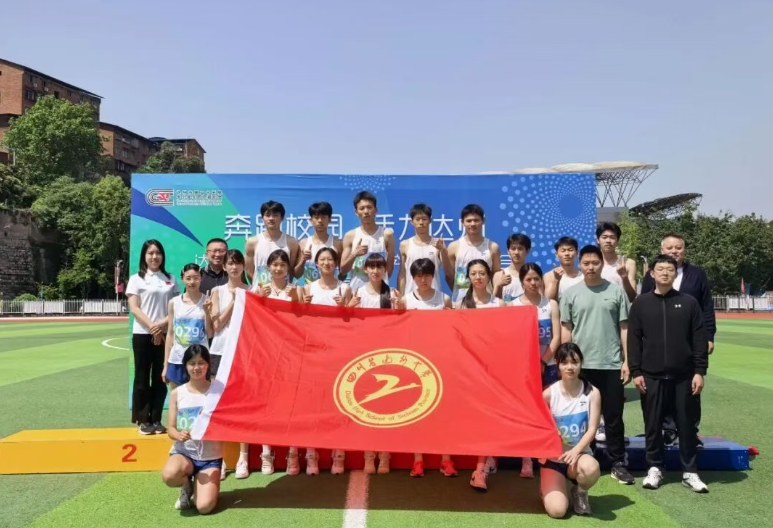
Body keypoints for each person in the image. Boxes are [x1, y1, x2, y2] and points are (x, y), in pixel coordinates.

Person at [628, 254, 709, 493]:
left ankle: (690, 471)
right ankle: (655, 467)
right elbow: (633, 340)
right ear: (652, 273)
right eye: (660, 269)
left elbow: (699, 339)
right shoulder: (641, 304)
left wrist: (699, 371)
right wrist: (636, 371)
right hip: (650, 376)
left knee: (686, 425)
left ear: (675, 274)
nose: (665, 273)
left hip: (684, 376)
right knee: (652, 425)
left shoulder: (689, 303)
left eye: (670, 270)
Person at [560, 245, 634, 485]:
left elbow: (624, 328)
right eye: (586, 263)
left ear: (603, 264)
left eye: (595, 263)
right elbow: (566, 329)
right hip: (582, 366)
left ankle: (618, 463)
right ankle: (584, 459)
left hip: (611, 364)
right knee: (583, 417)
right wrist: (566, 361)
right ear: (580, 265)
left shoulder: (616, 291)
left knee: (613, 416)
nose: (590, 267)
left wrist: (627, 361)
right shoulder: (571, 294)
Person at [640, 233, 716, 445]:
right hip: (660, 341)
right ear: (662, 250)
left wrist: (709, 336)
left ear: (684, 250)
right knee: (664, 387)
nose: (674, 251)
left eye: (678, 247)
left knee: (691, 387)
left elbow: (707, 307)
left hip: (689, 340)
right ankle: (668, 429)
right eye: (669, 248)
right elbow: (645, 305)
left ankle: (690, 430)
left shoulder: (697, 274)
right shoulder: (652, 275)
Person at [396, 258, 456, 478]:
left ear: (433, 276)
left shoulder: (444, 299)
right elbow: (397, 330)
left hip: (441, 363)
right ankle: (418, 460)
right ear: (413, 278)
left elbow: (453, 330)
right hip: (415, 365)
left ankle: (446, 459)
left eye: (427, 275)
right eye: (419, 276)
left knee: (444, 413)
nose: (423, 280)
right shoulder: (404, 300)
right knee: (417, 413)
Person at [300, 247, 351, 475]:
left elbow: (352, 322)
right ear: (316, 264)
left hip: (339, 352)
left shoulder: (345, 288)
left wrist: (343, 309)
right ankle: (311, 453)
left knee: (337, 402)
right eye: (322, 260)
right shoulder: (308, 288)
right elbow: (301, 322)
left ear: (337, 263)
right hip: (315, 352)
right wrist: (304, 307)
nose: (327, 263)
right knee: (313, 403)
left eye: (330, 259)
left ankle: (338, 453)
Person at [348, 253, 400, 474]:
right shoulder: (358, 293)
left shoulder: (393, 293)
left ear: (385, 270)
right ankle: (369, 454)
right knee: (367, 407)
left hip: (387, 357)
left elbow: (401, 324)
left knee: (386, 407)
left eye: (379, 267)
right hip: (364, 357)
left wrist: (399, 309)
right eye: (372, 267)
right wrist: (349, 308)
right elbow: (349, 325)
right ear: (365, 269)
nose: (376, 271)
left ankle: (385, 454)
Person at [456, 259, 505, 491]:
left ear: (489, 276)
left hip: (493, 371)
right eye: (474, 273)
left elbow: (504, 338)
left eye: (482, 273)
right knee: (475, 421)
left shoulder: (499, 304)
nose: (478, 277)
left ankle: (480, 470)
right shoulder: (462, 304)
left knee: (489, 420)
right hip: (469, 372)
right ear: (468, 277)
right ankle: (485, 459)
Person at [509, 263, 560, 478]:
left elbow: (556, 338)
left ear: (541, 280)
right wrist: (529, 364)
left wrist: (543, 361)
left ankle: (550, 456)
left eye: (536, 279)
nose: (532, 283)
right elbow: (512, 340)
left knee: (549, 410)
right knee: (526, 413)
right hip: (523, 369)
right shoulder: (513, 306)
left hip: (548, 366)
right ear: (521, 282)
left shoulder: (551, 304)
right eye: (528, 279)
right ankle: (527, 459)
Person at [540, 343, 601, 518]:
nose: (570, 367)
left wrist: (576, 451)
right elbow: (540, 427)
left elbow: (592, 429)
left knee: (591, 468)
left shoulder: (592, 393)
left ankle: (580, 491)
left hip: (578, 457)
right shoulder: (548, 394)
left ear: (581, 363)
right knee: (557, 511)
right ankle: (549, 488)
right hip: (553, 459)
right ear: (558, 364)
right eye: (564, 362)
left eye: (574, 362)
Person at [161, 345, 222, 514]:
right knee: (169, 475)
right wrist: (178, 435)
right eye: (192, 363)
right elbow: (171, 429)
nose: (196, 368)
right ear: (186, 366)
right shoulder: (177, 393)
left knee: (204, 507)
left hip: (210, 457)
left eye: (201, 363)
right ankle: (187, 485)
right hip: (184, 453)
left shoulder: (218, 392)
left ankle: (206, 486)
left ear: (208, 365)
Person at [127, 239, 179, 435]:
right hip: (142, 334)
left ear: (162, 256)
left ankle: (156, 419)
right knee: (141, 377)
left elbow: (176, 307)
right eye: (150, 253)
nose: (154, 257)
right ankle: (143, 420)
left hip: (166, 334)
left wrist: (160, 326)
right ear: (144, 256)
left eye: (158, 253)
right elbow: (134, 308)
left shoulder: (170, 279)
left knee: (160, 377)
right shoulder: (136, 279)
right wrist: (152, 327)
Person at [255, 249, 300, 475]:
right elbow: (254, 318)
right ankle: (266, 452)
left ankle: (293, 452)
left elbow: (302, 320)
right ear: (268, 267)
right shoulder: (260, 290)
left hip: (291, 353)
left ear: (288, 268)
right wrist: (261, 300)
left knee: (291, 402)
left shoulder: (296, 289)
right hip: (267, 352)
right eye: (275, 265)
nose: (278, 268)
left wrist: (295, 301)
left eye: (282, 265)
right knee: (267, 403)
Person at [208, 249, 249, 480]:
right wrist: (234, 301)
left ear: (243, 266)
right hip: (219, 352)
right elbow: (217, 325)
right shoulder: (217, 291)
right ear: (224, 267)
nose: (234, 267)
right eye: (230, 263)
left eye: (237, 263)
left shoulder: (251, 291)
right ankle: (220, 459)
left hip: (243, 354)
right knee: (219, 404)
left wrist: (242, 297)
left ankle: (243, 457)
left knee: (243, 405)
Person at [162, 264, 214, 390]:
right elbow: (170, 334)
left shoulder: (208, 301)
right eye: (188, 278)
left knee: (200, 398)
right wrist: (165, 365)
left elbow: (210, 333)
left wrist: (207, 312)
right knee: (176, 397)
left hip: (199, 361)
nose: (192, 282)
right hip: (177, 360)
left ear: (201, 278)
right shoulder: (174, 302)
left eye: (196, 278)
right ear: (182, 279)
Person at [341, 191, 396, 293]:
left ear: (376, 210)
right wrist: (354, 254)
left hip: (380, 292)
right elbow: (343, 270)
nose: (366, 211)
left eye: (369, 207)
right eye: (362, 208)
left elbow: (389, 268)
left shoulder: (387, 234)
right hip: (357, 292)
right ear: (356, 212)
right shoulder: (350, 236)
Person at [447, 204, 501, 304]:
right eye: (469, 221)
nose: (472, 224)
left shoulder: (493, 247)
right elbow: (450, 277)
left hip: (486, 302)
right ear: (462, 222)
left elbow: (496, 276)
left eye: (476, 220)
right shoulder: (453, 247)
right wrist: (460, 292)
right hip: (461, 301)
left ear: (483, 221)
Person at [397, 203, 451, 295]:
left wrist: (442, 250)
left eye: (424, 219)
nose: (421, 223)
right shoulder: (405, 244)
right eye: (417, 219)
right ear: (411, 222)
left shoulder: (438, 244)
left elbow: (447, 271)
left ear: (430, 221)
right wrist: (401, 296)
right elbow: (402, 273)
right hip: (411, 296)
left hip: (434, 296)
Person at [245, 200, 301, 289]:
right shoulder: (252, 241)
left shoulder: (292, 242)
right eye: (267, 215)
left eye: (275, 215)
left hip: (283, 292)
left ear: (282, 218)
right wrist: (259, 286)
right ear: (262, 217)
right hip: (260, 291)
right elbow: (249, 271)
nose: (271, 218)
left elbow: (290, 270)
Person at [294, 202, 344, 285]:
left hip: (332, 290)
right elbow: (296, 274)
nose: (320, 221)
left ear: (329, 219)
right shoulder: (303, 243)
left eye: (323, 217)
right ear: (311, 220)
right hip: (310, 290)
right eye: (316, 217)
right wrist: (303, 259)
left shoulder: (337, 243)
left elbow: (343, 273)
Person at [596, 222, 637, 302]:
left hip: (621, 308)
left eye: (612, 237)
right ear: (598, 240)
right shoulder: (593, 264)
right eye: (604, 237)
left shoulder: (628, 263)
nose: (608, 241)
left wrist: (624, 277)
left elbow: (632, 297)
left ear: (617, 241)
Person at [493, 233, 530, 303]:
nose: (516, 252)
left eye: (520, 248)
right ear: (508, 251)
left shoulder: (534, 276)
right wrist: (498, 286)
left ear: (527, 251)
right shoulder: (499, 275)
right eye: (513, 248)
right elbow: (494, 304)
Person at [545, 237, 584, 301]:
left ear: (577, 253)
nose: (567, 254)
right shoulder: (549, 276)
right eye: (563, 251)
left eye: (570, 250)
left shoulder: (584, 276)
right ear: (556, 254)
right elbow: (548, 301)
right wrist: (556, 280)